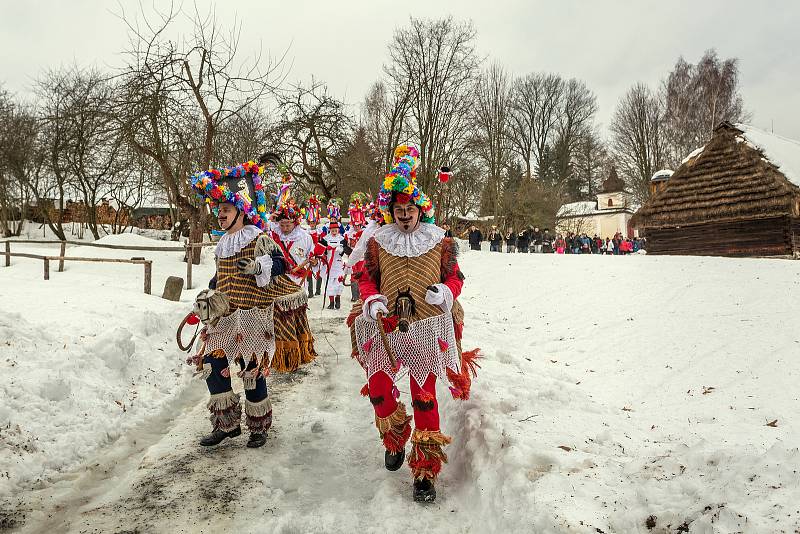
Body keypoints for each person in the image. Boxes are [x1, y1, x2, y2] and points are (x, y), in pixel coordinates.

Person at [351, 145, 479, 503]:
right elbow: (366, 278)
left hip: (425, 328)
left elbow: (456, 278)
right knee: (378, 389)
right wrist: (371, 297)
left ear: (420, 209)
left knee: (424, 398)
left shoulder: (440, 241)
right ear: (390, 212)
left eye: (409, 209)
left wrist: (446, 291)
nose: (404, 215)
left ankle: (425, 471)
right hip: (386, 328)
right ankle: (394, 434)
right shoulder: (378, 241)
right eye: (398, 209)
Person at [189, 161, 296, 449]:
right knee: (212, 364)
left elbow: (281, 263)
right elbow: (221, 276)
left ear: (240, 211)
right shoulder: (223, 243)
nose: (220, 214)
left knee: (252, 371)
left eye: (225, 210)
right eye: (218, 210)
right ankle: (226, 424)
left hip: (253, 315)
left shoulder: (258, 237)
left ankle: (258, 426)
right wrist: (209, 293)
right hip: (224, 316)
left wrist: (259, 265)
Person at [319, 224, 346, 309]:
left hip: (338, 264)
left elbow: (345, 251)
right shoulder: (325, 239)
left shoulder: (342, 239)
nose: (334, 232)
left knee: (339, 282)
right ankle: (331, 302)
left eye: (336, 230)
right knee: (329, 283)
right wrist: (327, 250)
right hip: (328, 264)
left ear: (338, 230)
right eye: (332, 230)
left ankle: (338, 299)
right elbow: (320, 249)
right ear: (330, 230)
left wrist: (341, 250)